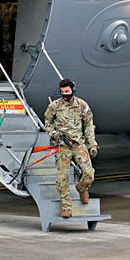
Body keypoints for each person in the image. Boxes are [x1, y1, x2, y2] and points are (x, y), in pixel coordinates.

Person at [43, 78, 98, 218]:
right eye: (62, 92)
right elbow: (47, 122)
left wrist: (92, 144)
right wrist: (53, 134)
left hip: (78, 144)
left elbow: (88, 126)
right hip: (62, 146)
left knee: (89, 173)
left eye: (67, 91)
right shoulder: (55, 106)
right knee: (62, 179)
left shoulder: (82, 105)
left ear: (73, 90)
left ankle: (82, 188)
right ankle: (66, 206)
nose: (64, 94)